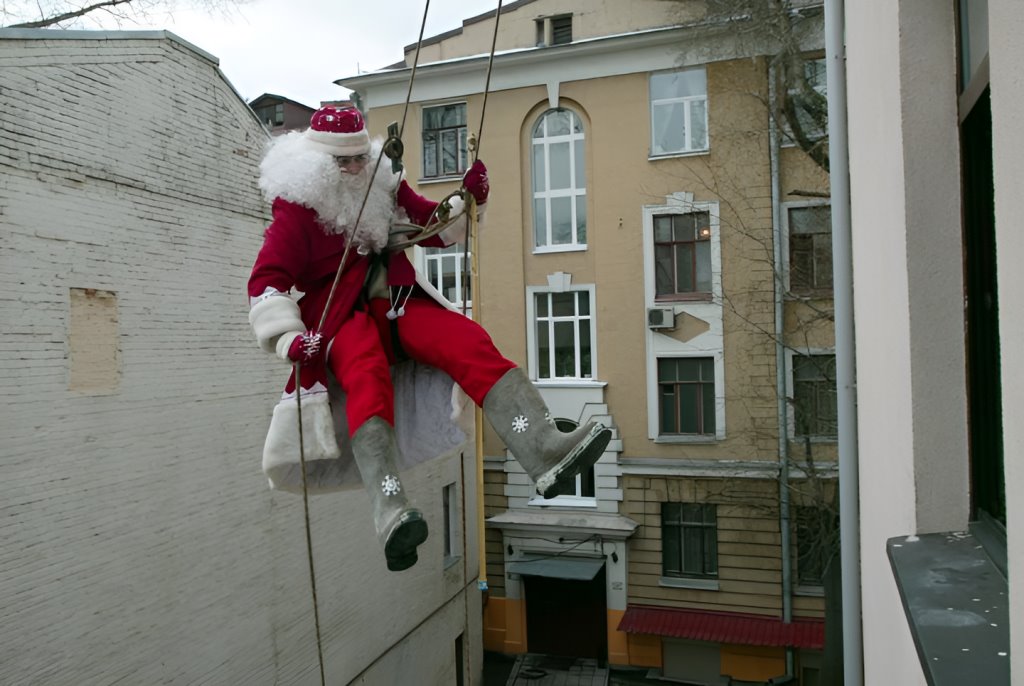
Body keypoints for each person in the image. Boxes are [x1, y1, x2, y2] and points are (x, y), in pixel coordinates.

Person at [248, 105, 610, 572]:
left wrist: (466, 199)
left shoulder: (382, 183)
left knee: (466, 341)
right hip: (339, 316)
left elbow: (429, 227)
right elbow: (266, 281)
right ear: (319, 165)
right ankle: (390, 507)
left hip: (395, 301)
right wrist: (288, 339)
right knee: (366, 376)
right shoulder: (296, 210)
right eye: (344, 162)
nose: (356, 168)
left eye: (361, 157)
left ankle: (541, 447)